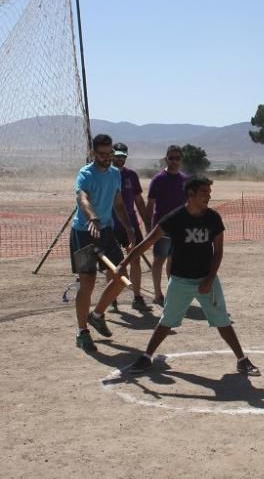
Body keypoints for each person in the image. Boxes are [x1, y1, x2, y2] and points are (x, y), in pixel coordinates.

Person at [117, 175, 260, 376]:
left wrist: (210, 279)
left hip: (206, 279)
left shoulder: (213, 218)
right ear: (190, 194)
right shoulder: (175, 218)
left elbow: (218, 251)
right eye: (204, 193)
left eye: (209, 193)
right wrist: (124, 263)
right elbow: (147, 243)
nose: (208, 197)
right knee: (166, 321)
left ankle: (242, 360)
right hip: (180, 281)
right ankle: (146, 357)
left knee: (222, 321)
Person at [69, 134, 133, 352]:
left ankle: (97, 315)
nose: (107, 158)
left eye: (109, 154)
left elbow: (118, 203)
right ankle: (82, 331)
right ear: (94, 153)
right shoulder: (85, 174)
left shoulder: (115, 174)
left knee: (122, 277)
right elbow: (82, 198)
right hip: (83, 233)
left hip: (105, 232)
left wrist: (129, 228)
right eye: (102, 154)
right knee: (87, 282)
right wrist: (92, 217)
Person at [145, 144, 187, 306]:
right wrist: (149, 230)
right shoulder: (158, 180)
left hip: (180, 228)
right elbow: (150, 206)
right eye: (171, 158)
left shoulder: (185, 180)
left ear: (181, 160)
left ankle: (173, 293)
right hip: (161, 228)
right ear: (166, 159)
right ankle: (157, 294)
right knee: (159, 260)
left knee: (175, 262)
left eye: (177, 158)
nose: (174, 161)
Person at [110, 142, 150, 312]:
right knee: (112, 264)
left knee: (135, 260)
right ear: (111, 155)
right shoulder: (105, 175)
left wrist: (147, 222)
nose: (120, 160)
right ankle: (112, 299)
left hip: (132, 225)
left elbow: (139, 201)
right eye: (117, 156)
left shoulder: (131, 176)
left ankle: (137, 297)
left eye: (123, 157)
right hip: (110, 226)